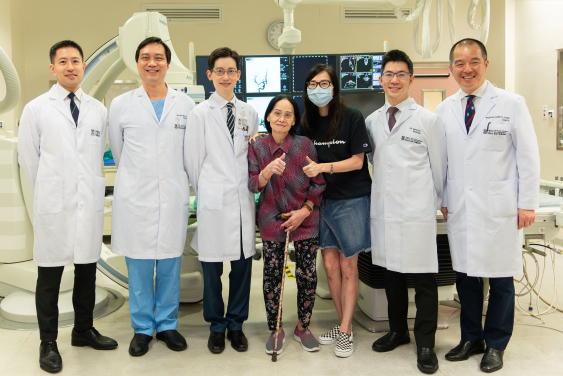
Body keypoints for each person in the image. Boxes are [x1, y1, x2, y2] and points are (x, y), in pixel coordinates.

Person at [436, 38, 540, 373]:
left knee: (500, 279)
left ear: (485, 63)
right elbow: (443, 162)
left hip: (500, 208)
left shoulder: (511, 103)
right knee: (465, 278)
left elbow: (528, 157)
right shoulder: (445, 108)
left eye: (473, 62)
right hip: (461, 208)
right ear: (451, 69)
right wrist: (444, 199)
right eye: (459, 63)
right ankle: (471, 337)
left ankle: (495, 344)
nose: (466, 69)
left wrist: (527, 204)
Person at [18, 40, 118, 373]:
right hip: (54, 205)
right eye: (64, 62)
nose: (71, 66)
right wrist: (50, 193)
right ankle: (48, 341)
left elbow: (93, 157)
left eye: (76, 60)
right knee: (49, 277)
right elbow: (29, 162)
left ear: (82, 66)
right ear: (53, 68)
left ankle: (83, 329)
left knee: (87, 272)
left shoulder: (97, 108)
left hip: (86, 205)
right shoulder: (36, 108)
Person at [108, 37, 195, 356]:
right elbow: (118, 152)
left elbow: (190, 152)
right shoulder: (121, 104)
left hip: (171, 195)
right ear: (137, 63)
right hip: (136, 198)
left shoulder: (185, 105)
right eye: (145, 57)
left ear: (167, 64)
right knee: (141, 267)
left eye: (158, 57)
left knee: (171, 264)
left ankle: (168, 325)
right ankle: (143, 328)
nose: (152, 62)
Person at [366, 50, 447, 374]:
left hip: (416, 213)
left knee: (424, 279)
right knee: (391, 277)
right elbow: (375, 164)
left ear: (411, 79)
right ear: (381, 79)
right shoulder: (372, 121)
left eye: (401, 74)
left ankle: (425, 343)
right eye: (389, 74)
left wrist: (429, 203)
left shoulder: (428, 120)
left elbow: (439, 169)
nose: (394, 79)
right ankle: (397, 331)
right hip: (385, 212)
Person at [184, 47, 258, 354]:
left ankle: (236, 325)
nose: (225, 77)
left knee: (242, 269)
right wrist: (208, 192)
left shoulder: (249, 113)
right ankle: (216, 326)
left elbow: (253, 157)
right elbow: (191, 161)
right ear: (210, 75)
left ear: (238, 75)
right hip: (213, 200)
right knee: (212, 270)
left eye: (231, 71)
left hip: (242, 200)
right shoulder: (200, 113)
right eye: (220, 71)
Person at [300, 64, 372, 358]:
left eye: (325, 83)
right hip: (322, 202)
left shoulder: (352, 117)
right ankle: (345, 327)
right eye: (313, 84)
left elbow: (357, 161)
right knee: (329, 267)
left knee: (347, 266)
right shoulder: (307, 122)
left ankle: (344, 331)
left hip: (351, 200)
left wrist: (323, 167)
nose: (319, 89)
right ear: (307, 89)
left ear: (334, 87)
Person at [248, 95, 326, 355]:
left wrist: (304, 211)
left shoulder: (305, 146)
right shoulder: (258, 147)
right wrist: (266, 172)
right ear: (268, 117)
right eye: (277, 113)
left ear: (294, 121)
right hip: (271, 218)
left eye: (288, 115)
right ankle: (276, 328)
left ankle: (303, 327)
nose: (282, 118)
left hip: (304, 217)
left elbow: (318, 183)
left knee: (307, 275)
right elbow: (252, 184)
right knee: (272, 276)